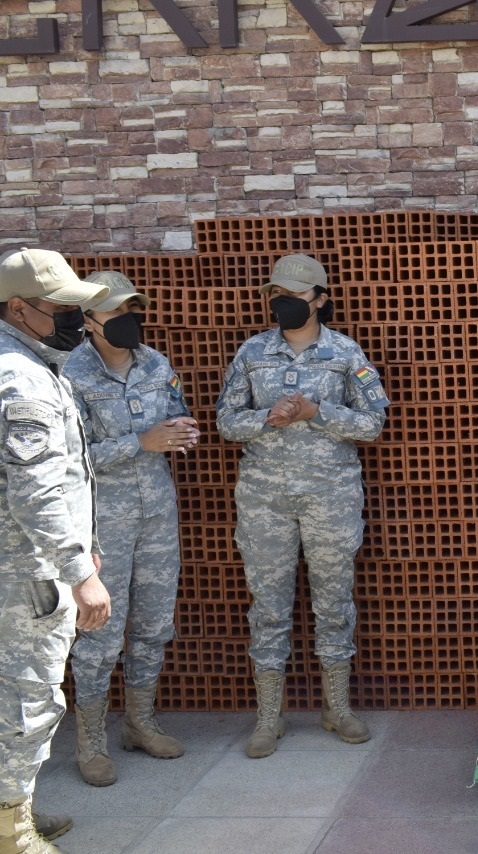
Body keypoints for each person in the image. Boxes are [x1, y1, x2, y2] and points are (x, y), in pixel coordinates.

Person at [216, 254, 388, 759]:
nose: (283, 304)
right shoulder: (252, 353)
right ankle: (269, 716)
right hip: (265, 499)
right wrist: (266, 419)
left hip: (330, 498)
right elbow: (225, 421)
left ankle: (337, 707)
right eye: (277, 296)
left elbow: (373, 422)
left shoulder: (343, 353)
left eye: (293, 296)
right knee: (268, 607)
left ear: (319, 300)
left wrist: (317, 412)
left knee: (333, 603)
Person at [62, 271, 199, 787]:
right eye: (116, 313)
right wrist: (139, 442)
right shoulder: (70, 375)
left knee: (152, 624)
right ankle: (91, 742)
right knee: (99, 634)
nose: (127, 321)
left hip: (158, 516)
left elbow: (174, 414)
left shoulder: (156, 363)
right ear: (90, 322)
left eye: (132, 310)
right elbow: (69, 459)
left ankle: (140, 723)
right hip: (103, 525)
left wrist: (180, 431)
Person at [0, 247, 112, 854]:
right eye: (64, 307)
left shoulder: (29, 362)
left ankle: (13, 811)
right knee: (28, 698)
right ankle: (12, 834)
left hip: (26, 565)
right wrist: (79, 569)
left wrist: (84, 547)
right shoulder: (21, 377)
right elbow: (37, 490)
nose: (78, 319)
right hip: (29, 575)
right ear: (20, 308)